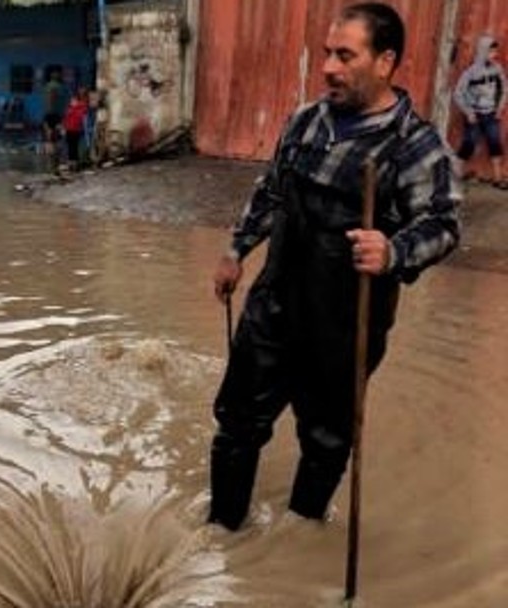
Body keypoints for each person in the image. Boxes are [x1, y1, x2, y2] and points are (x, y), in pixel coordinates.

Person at [207, 2, 461, 532]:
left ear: (386, 61)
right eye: (327, 54)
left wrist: (393, 251)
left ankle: (301, 536)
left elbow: (443, 225)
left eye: (345, 55)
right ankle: (223, 529)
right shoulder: (305, 121)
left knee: (326, 439)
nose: (328, 67)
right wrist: (237, 251)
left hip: (346, 325)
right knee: (236, 424)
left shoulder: (415, 146)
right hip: (274, 305)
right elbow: (270, 193)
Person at [453, 35, 507, 188]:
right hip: (474, 115)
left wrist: (499, 108)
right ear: (483, 51)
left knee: (495, 143)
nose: (494, 55)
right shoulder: (470, 72)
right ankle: (455, 175)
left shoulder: (497, 69)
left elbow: (504, 88)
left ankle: (497, 179)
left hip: (491, 113)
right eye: (491, 52)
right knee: (468, 143)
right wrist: (468, 112)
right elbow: (458, 93)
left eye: (495, 52)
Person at [62, 87, 89, 170]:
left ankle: (74, 162)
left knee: (73, 146)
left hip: (75, 128)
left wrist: (75, 107)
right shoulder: (72, 108)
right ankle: (72, 162)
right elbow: (66, 117)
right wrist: (64, 126)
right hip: (70, 127)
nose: (72, 101)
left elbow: (81, 115)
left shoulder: (82, 106)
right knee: (71, 146)